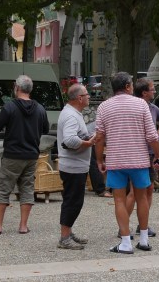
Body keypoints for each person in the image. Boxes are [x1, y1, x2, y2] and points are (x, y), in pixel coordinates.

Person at [93, 72, 159, 254]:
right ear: (127, 87)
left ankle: (125, 242)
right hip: (139, 160)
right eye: (131, 84)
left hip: (116, 161)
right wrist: (157, 155)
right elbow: (152, 135)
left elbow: (99, 137)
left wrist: (99, 159)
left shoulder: (103, 107)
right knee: (142, 197)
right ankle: (144, 240)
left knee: (119, 199)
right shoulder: (141, 104)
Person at [0, 75, 49, 235]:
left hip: (12, 154)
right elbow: (45, 129)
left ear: (16, 87)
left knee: (4, 188)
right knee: (27, 188)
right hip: (31, 155)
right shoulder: (40, 108)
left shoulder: (10, 107)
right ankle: (23, 226)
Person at [56, 84, 96, 250]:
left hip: (74, 165)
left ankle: (68, 232)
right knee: (73, 202)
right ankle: (64, 238)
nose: (89, 97)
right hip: (73, 167)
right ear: (79, 98)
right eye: (87, 94)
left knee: (72, 201)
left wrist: (86, 136)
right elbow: (70, 140)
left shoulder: (72, 113)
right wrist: (88, 142)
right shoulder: (72, 116)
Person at [129, 77, 159, 236]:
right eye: (152, 89)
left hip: (151, 154)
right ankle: (124, 226)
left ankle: (142, 224)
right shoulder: (134, 107)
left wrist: (158, 133)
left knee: (149, 188)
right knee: (133, 191)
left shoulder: (153, 108)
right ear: (144, 92)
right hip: (137, 154)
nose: (155, 91)